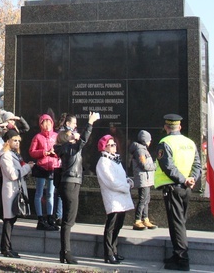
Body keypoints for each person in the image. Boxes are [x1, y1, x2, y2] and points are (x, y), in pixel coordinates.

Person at [154, 114, 201, 271]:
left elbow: (168, 166)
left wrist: (183, 179)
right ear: (179, 127)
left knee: (177, 224)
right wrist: (192, 179)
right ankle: (177, 254)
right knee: (180, 222)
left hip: (173, 188)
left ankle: (182, 259)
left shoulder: (165, 142)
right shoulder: (190, 143)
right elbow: (197, 164)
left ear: (166, 127)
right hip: (186, 189)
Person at [55, 111, 98, 264]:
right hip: (71, 183)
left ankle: (64, 252)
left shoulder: (68, 148)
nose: (75, 134)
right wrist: (90, 123)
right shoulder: (69, 148)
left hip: (72, 183)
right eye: (72, 134)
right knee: (68, 221)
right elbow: (84, 140)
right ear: (67, 138)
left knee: (68, 219)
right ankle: (66, 252)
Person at [96, 134, 134, 265]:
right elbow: (111, 181)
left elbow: (121, 177)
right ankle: (108, 253)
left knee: (118, 225)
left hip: (121, 197)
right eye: (111, 145)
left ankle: (114, 250)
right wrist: (126, 186)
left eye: (114, 144)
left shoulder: (115, 160)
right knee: (111, 226)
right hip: (113, 198)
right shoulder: (103, 162)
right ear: (104, 147)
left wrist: (128, 181)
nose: (114, 146)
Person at [0, 129, 33, 258]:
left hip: (15, 190)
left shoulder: (14, 154)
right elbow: (13, 174)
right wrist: (28, 167)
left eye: (19, 141)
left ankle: (6, 246)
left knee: (11, 219)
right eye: (15, 140)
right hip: (10, 190)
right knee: (9, 219)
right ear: (8, 141)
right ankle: (6, 248)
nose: (17, 143)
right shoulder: (5, 155)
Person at [28, 113, 60, 231]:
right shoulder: (37, 137)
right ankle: (40, 218)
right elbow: (32, 152)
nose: (47, 126)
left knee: (51, 193)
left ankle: (50, 217)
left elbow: (61, 151)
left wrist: (54, 153)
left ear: (52, 124)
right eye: (44, 124)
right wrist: (44, 152)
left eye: (49, 123)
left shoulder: (56, 136)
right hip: (41, 167)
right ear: (41, 125)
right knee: (39, 193)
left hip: (53, 166)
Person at [130, 129, 158, 230]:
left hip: (146, 179)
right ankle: (137, 220)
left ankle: (145, 218)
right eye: (149, 140)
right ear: (145, 140)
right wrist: (155, 165)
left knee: (146, 199)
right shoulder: (140, 150)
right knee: (143, 199)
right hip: (143, 179)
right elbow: (144, 165)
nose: (150, 142)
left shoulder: (143, 149)